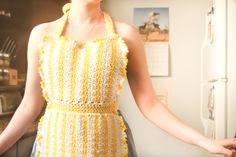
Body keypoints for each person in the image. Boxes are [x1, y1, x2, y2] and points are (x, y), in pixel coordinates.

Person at [0, 0, 236, 156]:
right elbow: (30, 105)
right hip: (54, 147)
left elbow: (150, 104)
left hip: (108, 147)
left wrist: (205, 142)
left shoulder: (126, 35)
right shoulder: (41, 34)